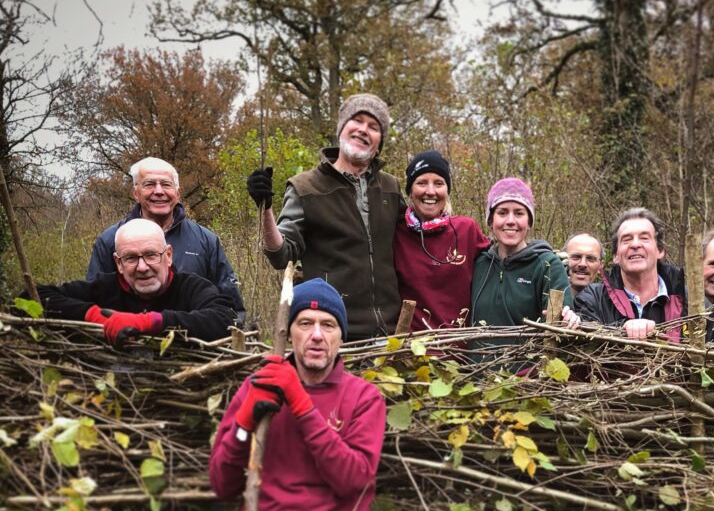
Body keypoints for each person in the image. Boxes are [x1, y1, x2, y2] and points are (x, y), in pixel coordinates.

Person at [209, 279, 385, 511]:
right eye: (305, 323)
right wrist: (243, 424)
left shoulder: (364, 398)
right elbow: (222, 484)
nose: (317, 335)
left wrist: (301, 405)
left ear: (341, 338)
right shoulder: (257, 389)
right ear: (289, 333)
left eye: (328, 325)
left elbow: (353, 480)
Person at [247, 93, 405, 341]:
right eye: (357, 120)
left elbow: (414, 243)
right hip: (333, 333)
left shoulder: (391, 188)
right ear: (342, 128)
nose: (364, 130)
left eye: (374, 127)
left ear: (379, 142)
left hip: (392, 332)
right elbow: (280, 254)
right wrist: (265, 208)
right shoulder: (305, 187)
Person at [87, 157, 245, 318]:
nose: (159, 191)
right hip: (128, 340)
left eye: (166, 184)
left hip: (194, 340)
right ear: (136, 193)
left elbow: (231, 306)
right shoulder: (110, 241)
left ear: (177, 193)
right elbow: (94, 303)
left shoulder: (206, 241)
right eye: (149, 184)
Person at [38, 219, 236, 345]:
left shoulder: (193, 288)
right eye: (131, 258)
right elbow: (33, 298)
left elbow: (224, 320)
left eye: (151, 255)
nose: (142, 267)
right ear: (119, 263)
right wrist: (95, 316)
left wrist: (148, 322)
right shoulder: (104, 288)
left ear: (168, 255)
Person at [393, 150, 491, 331]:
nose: (430, 191)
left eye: (438, 183)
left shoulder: (466, 230)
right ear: (410, 190)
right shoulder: (395, 232)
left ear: (447, 190)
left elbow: (505, 261)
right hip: (410, 351)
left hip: (459, 351)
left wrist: (542, 255)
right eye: (421, 183)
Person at [470, 177, 579, 330]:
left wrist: (567, 318)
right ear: (490, 221)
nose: (510, 221)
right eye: (502, 213)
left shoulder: (547, 266)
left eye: (519, 213)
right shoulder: (479, 263)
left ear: (529, 222)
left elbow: (561, 323)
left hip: (525, 354)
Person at [573, 208, 686, 341]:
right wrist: (622, 328)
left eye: (644, 238)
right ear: (615, 256)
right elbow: (585, 343)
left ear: (660, 250)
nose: (635, 244)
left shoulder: (688, 301)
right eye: (626, 240)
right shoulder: (592, 299)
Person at [563, 233, 604, 297]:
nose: (583, 264)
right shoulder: (545, 297)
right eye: (576, 257)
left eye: (590, 258)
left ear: (600, 266)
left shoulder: (609, 304)